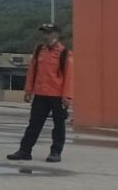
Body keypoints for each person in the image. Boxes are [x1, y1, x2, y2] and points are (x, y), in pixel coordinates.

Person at [9, 23, 73, 163]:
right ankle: (24, 151)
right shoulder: (39, 50)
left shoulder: (64, 53)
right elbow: (32, 71)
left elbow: (68, 76)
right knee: (34, 124)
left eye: (48, 33)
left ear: (56, 34)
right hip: (40, 94)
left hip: (57, 96)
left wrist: (67, 96)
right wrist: (28, 90)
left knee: (58, 125)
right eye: (44, 33)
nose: (45, 36)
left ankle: (55, 152)